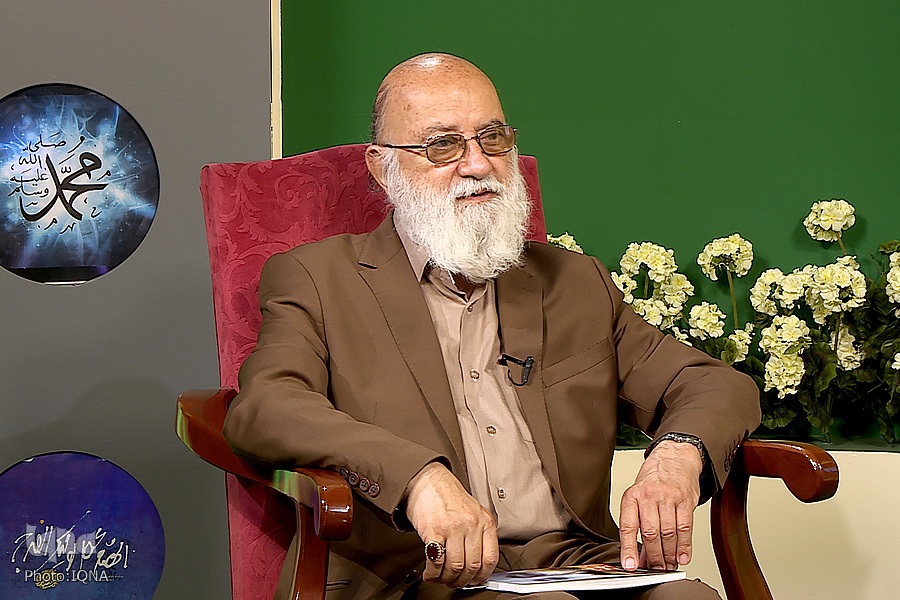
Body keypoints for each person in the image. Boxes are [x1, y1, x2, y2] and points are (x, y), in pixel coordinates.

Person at [223, 53, 760, 600]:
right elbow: (267, 406)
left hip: (575, 562)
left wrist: (676, 455)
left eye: (493, 138)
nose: (478, 164)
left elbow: (714, 385)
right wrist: (417, 479)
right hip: (416, 574)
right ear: (382, 168)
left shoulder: (575, 282)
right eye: (443, 145)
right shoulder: (319, 278)